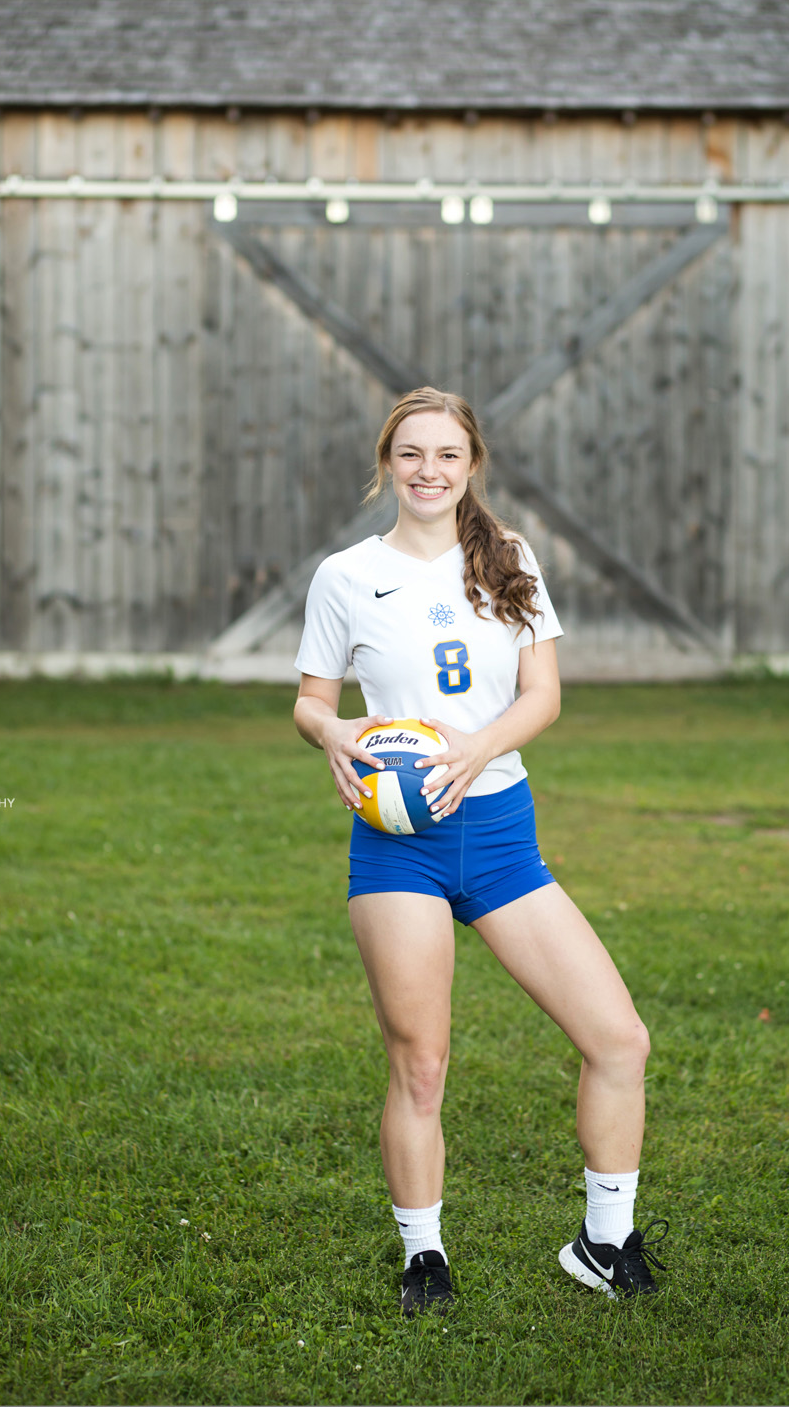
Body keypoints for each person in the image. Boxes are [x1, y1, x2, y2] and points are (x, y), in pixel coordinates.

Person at [291, 387, 663, 1316]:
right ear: (388, 463)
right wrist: (334, 735)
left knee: (619, 1038)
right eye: (411, 453)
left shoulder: (508, 560)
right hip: (397, 848)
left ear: (470, 465)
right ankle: (425, 1256)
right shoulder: (344, 575)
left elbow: (543, 695)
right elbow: (309, 700)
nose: (428, 470)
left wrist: (476, 747)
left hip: (500, 834)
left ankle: (603, 1240)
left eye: (447, 455)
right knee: (420, 1062)